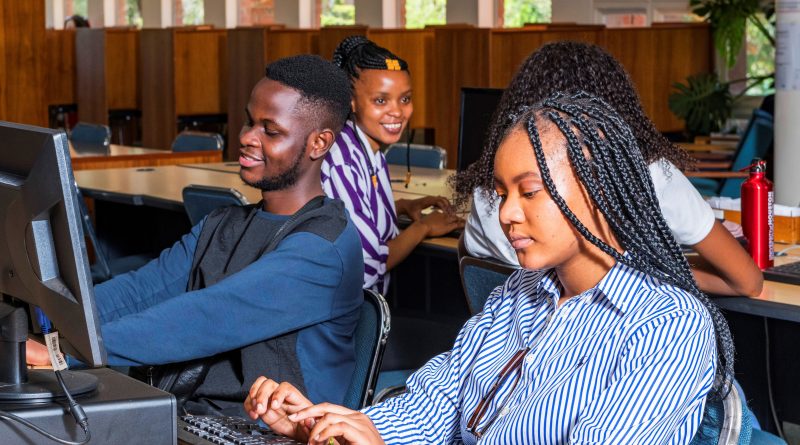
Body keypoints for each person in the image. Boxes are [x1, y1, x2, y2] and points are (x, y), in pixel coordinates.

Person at [244, 92, 734, 444]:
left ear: (597, 190)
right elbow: (437, 403)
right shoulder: (516, 295)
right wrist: (341, 428)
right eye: (501, 194)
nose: (507, 213)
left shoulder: (667, 325)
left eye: (530, 191)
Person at [28, 55, 365, 416]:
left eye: (270, 131)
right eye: (249, 122)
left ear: (319, 143)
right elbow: (141, 291)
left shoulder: (325, 247)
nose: (246, 137)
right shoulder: (224, 223)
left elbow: (207, 318)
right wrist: (40, 322)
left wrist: (62, 354)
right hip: (191, 414)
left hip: (268, 430)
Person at [454, 41, 763, 298]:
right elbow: (746, 281)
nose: (509, 213)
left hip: (516, 344)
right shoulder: (649, 175)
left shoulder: (491, 189)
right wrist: (652, 269)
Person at [322, 35, 463, 294]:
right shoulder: (343, 163)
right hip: (351, 311)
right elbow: (367, 267)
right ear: (350, 100)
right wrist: (423, 227)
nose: (397, 112)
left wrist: (404, 206)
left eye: (405, 99)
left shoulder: (370, 148)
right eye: (381, 100)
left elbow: (355, 215)